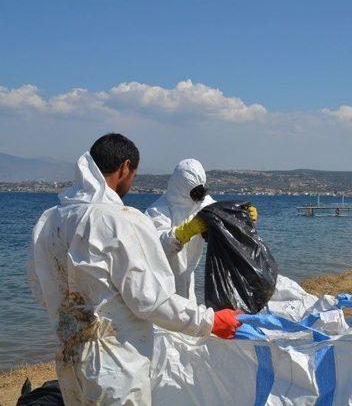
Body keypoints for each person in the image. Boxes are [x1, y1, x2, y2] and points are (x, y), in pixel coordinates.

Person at [27, 134, 241, 405]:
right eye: (134, 175)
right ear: (125, 167)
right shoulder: (119, 220)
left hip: (70, 360)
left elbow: (40, 288)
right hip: (117, 365)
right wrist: (210, 321)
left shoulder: (49, 221)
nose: (131, 181)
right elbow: (149, 300)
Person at [145, 159, 258, 305]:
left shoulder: (202, 202)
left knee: (188, 317)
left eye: (203, 191)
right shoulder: (157, 210)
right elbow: (155, 249)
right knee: (165, 322)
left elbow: (224, 219)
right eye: (196, 193)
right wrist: (184, 232)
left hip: (187, 276)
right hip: (161, 281)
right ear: (182, 190)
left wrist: (243, 219)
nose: (200, 197)